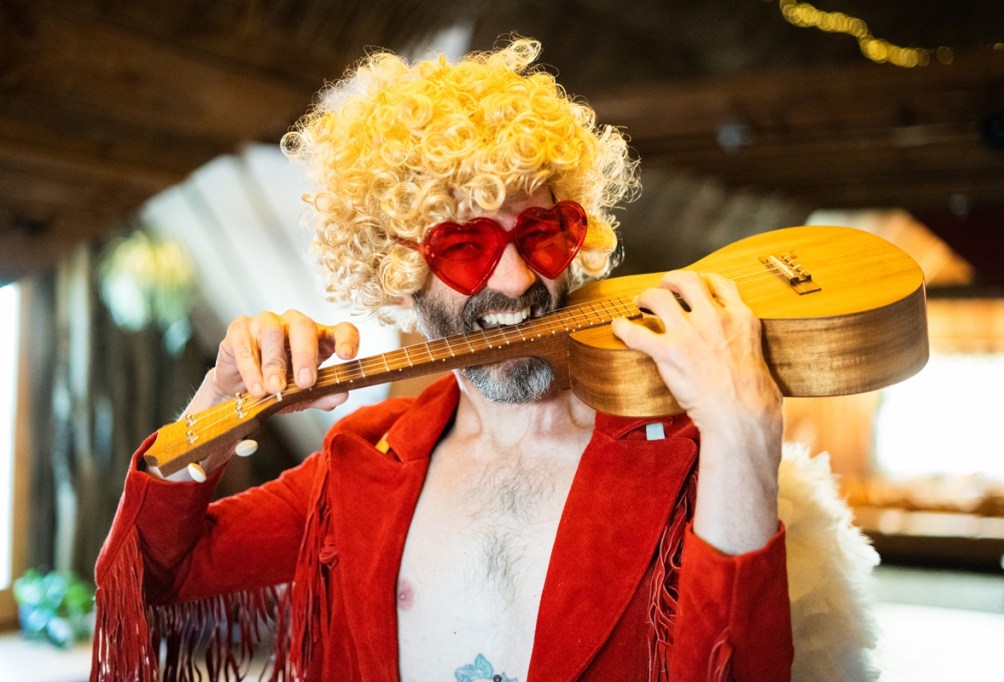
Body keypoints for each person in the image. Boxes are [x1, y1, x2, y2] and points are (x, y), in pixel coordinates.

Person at [91, 38, 795, 681]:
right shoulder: (360, 462)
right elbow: (147, 578)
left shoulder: (690, 455)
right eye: (464, 248)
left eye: (541, 234)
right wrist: (218, 402)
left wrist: (745, 434)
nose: (516, 281)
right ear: (396, 275)